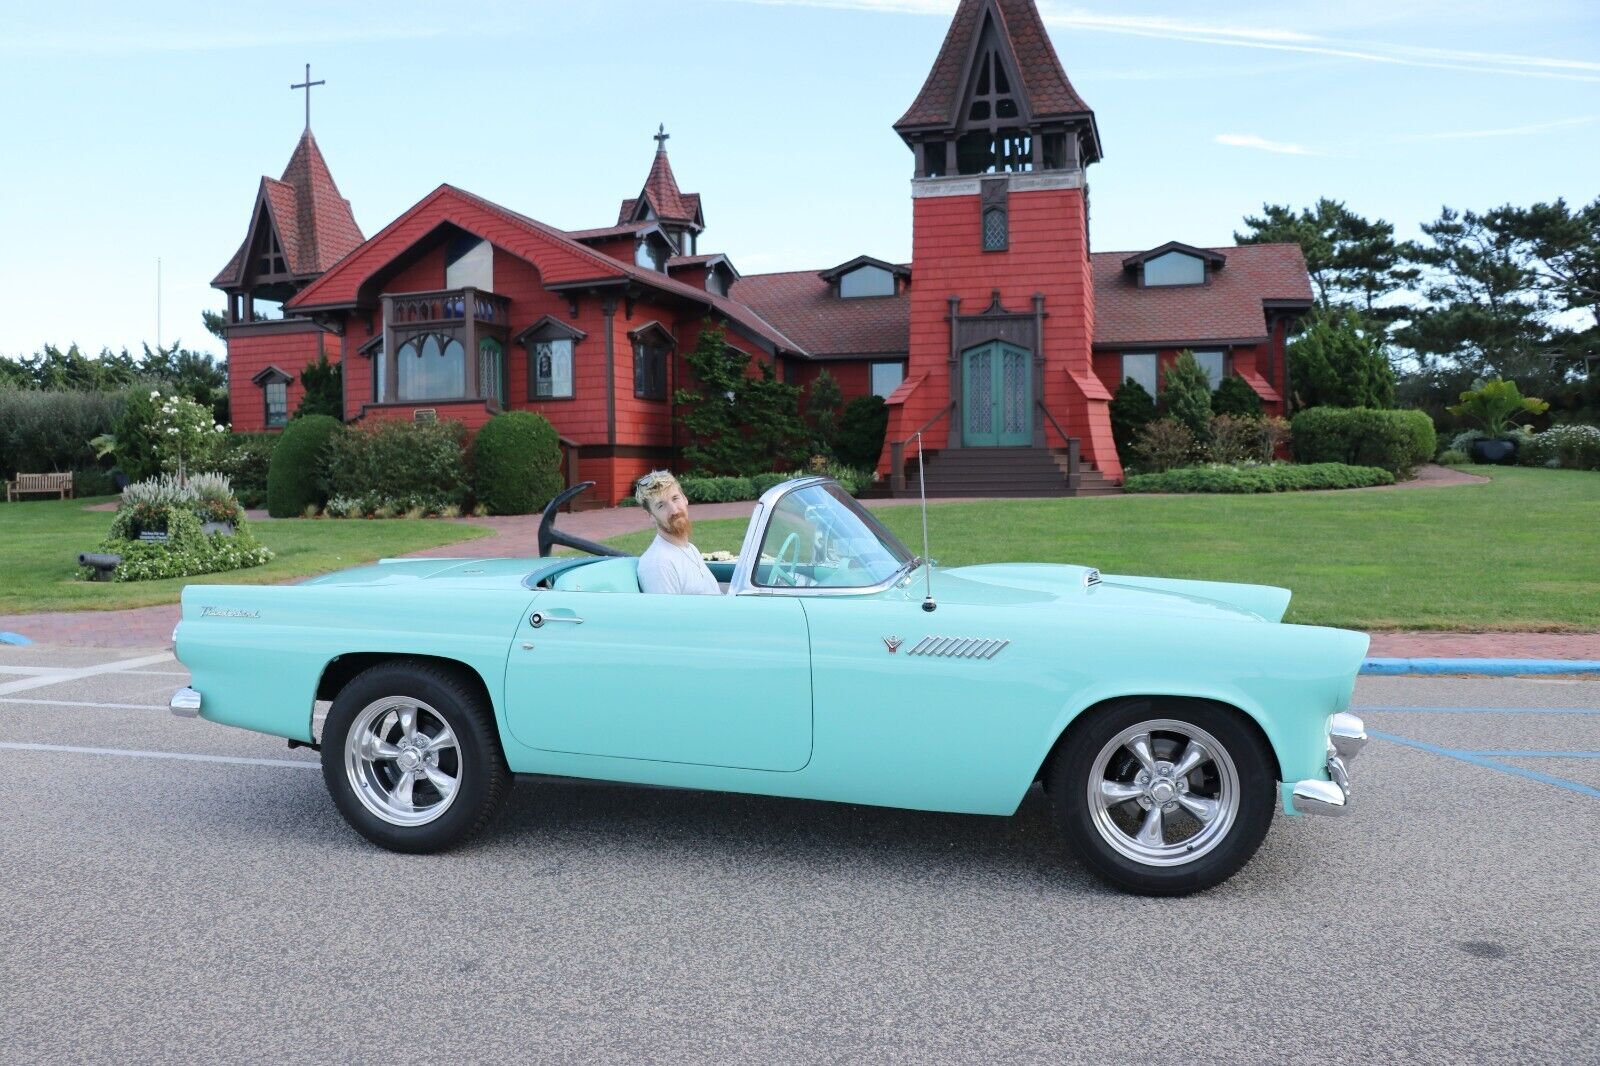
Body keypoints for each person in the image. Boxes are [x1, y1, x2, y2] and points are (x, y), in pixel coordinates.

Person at [633, 470, 720, 595]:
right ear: (651, 516)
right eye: (661, 506)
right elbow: (667, 614)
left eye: (675, 498)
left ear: (685, 498)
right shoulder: (659, 564)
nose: (674, 510)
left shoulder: (690, 549)